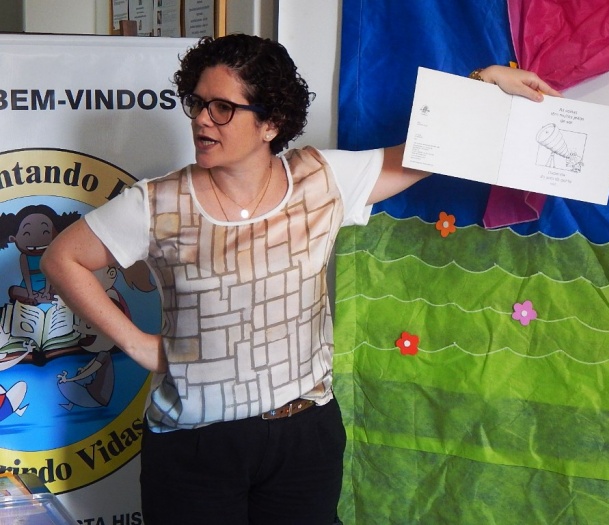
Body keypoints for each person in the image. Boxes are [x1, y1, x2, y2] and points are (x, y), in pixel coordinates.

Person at [41, 33, 559, 525]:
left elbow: (425, 152)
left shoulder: (321, 180)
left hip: (304, 437)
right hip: (195, 446)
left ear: (271, 123)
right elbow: (63, 258)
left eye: (222, 108)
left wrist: (485, 82)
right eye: (197, 103)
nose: (201, 119)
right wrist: (136, 343)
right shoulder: (156, 203)